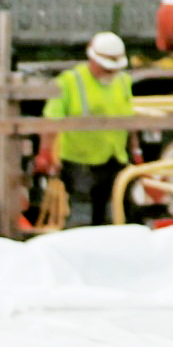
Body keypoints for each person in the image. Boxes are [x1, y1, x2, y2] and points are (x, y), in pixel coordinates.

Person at [34, 31, 141, 228]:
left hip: (114, 159)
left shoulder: (123, 81)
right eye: (106, 68)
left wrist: (136, 151)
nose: (110, 73)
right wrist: (46, 153)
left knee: (114, 215)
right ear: (92, 59)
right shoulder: (70, 81)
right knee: (81, 217)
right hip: (79, 162)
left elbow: (129, 119)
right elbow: (51, 120)